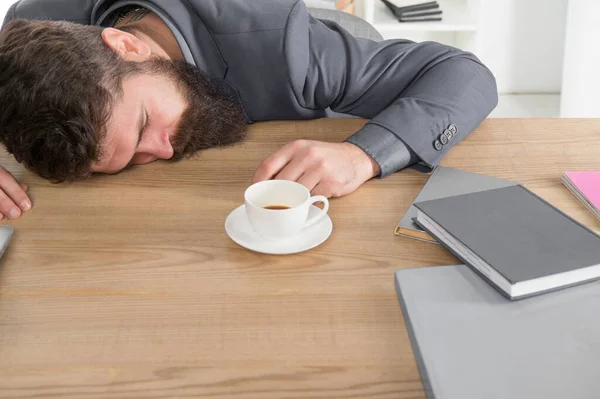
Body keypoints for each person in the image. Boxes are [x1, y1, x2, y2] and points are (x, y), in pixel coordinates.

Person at [0, 0, 498, 220]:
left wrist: (362, 155)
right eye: (130, 159)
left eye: (146, 125)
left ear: (128, 47)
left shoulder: (286, 50)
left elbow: (463, 72)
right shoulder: (22, 32)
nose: (165, 150)